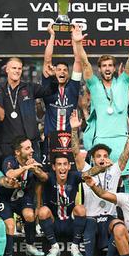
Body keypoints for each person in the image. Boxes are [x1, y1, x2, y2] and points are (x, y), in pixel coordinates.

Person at [71, 108, 129, 256]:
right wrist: (74, 130)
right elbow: (75, 152)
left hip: (109, 217)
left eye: (105, 155)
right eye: (98, 156)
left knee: (118, 225)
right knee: (90, 224)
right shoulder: (87, 169)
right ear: (92, 159)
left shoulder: (115, 169)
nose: (102, 158)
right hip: (91, 218)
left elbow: (127, 152)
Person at [73, 18, 129, 186]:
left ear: (114, 68)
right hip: (101, 141)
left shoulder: (123, 81)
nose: (108, 68)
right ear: (100, 69)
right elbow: (85, 63)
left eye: (110, 65)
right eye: (104, 66)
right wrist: (79, 44)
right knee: (99, 182)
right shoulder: (94, 84)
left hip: (122, 140)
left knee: (128, 182)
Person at [0, 136, 49, 256]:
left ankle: (30, 245)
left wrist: (35, 170)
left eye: (31, 147)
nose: (32, 150)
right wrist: (26, 168)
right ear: (17, 152)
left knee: (30, 215)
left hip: (23, 197)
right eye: (27, 148)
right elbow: (10, 174)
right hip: (6, 198)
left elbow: (44, 178)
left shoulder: (34, 160)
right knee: (10, 226)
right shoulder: (9, 160)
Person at [41, 24, 82, 163]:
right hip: (50, 139)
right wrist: (52, 35)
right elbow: (47, 60)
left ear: (68, 74)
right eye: (58, 69)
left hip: (70, 139)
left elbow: (78, 60)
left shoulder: (73, 87)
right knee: (49, 173)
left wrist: (74, 39)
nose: (62, 72)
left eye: (65, 70)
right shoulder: (48, 87)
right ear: (54, 72)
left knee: (69, 172)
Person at [37, 152, 86, 256]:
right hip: (54, 222)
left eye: (65, 164)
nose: (62, 167)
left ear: (69, 166)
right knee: (43, 211)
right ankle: (54, 247)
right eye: (59, 164)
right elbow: (41, 175)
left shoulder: (74, 176)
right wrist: (32, 168)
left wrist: (100, 168)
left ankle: (75, 247)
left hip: (70, 222)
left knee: (81, 209)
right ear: (54, 167)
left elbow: (88, 174)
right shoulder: (49, 177)